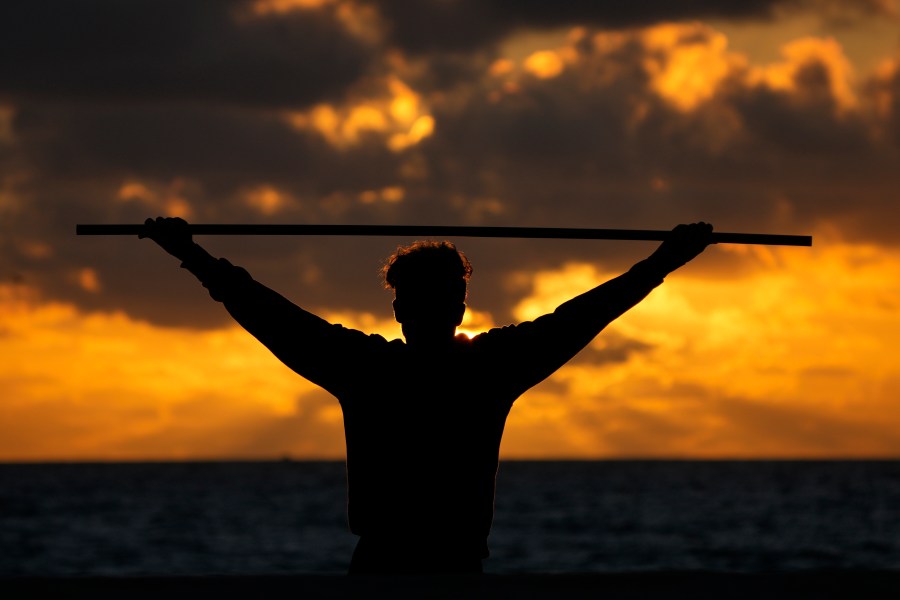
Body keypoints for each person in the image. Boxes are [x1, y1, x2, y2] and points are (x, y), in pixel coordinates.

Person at [141, 217, 713, 574]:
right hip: (453, 565)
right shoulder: (489, 367)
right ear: (461, 310)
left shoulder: (366, 367)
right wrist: (663, 261)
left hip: (387, 564)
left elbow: (271, 315)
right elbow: (584, 315)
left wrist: (189, 255)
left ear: (397, 309)